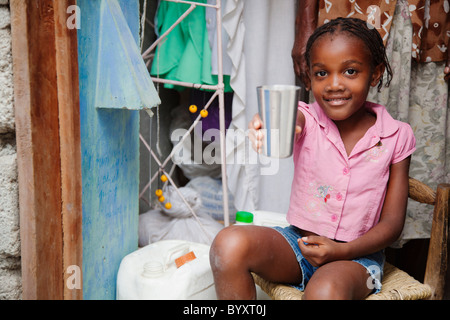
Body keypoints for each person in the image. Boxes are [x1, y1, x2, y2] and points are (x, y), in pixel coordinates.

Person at [209, 17, 416, 300]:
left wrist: (342, 251)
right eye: (321, 74)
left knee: (325, 291)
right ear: (310, 76)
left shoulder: (396, 136)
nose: (333, 85)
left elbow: (392, 225)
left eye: (350, 71)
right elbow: (290, 119)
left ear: (376, 73)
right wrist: (272, 124)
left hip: (359, 262)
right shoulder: (307, 118)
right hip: (299, 244)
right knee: (228, 244)